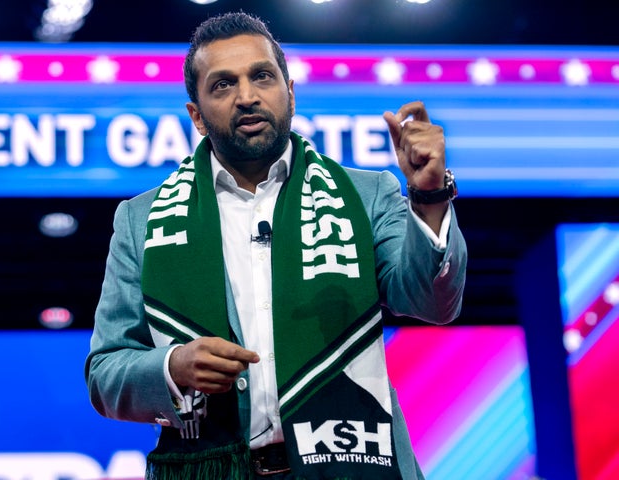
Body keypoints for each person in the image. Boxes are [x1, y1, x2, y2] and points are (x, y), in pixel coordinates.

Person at [85, 11, 466, 480]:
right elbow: (105, 374)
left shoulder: (368, 195)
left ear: (290, 91)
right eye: (223, 85)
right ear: (197, 116)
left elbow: (434, 302)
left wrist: (427, 197)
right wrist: (172, 366)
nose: (246, 96)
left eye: (261, 76)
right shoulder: (141, 220)